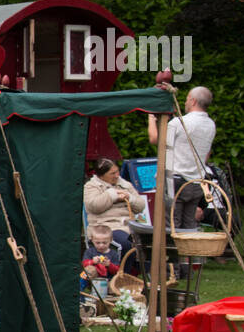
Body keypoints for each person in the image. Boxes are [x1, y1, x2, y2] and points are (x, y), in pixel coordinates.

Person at [149, 84, 215, 230]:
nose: (185, 103)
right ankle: (187, 253)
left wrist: (151, 118)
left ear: (192, 101)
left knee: (172, 226)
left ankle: (172, 253)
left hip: (176, 181)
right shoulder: (211, 125)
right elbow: (206, 155)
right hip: (197, 182)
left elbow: (155, 139)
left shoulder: (179, 123)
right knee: (190, 226)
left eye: (186, 99)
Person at [83, 157, 146, 262]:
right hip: (105, 227)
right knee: (126, 242)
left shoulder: (125, 184)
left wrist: (130, 197)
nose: (117, 175)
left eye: (117, 172)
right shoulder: (91, 186)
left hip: (128, 225)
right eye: (112, 173)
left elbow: (141, 206)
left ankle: (137, 273)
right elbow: (93, 206)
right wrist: (112, 195)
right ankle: (123, 274)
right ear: (101, 176)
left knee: (150, 240)